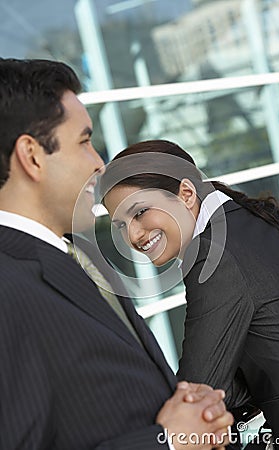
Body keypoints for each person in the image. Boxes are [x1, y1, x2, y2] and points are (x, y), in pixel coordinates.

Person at [0, 59, 233, 450]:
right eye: (84, 141)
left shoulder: (74, 258)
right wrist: (168, 442)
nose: (98, 162)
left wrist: (195, 414)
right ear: (33, 155)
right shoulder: (8, 287)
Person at [101, 139, 279, 449]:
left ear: (186, 193)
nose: (133, 235)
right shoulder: (247, 221)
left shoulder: (212, 254)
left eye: (139, 213)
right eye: (121, 225)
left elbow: (196, 394)